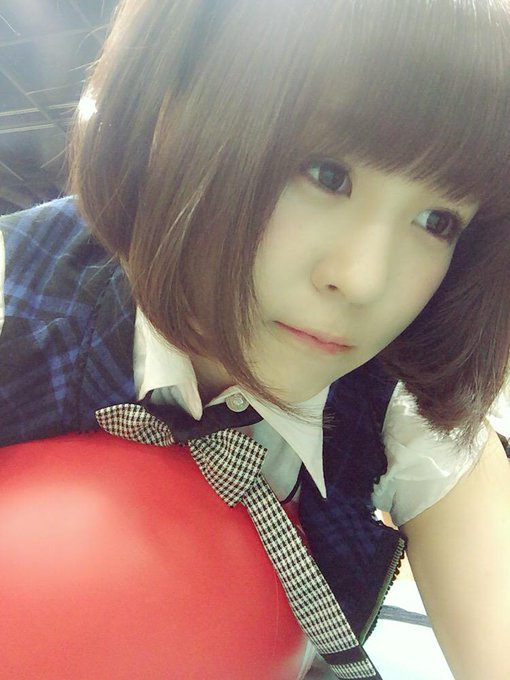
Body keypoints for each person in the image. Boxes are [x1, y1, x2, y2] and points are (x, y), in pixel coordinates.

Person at [1, 0, 510, 677]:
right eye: (326, 173)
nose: (363, 280)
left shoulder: (401, 409)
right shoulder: (20, 294)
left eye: (437, 221)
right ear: (170, 118)